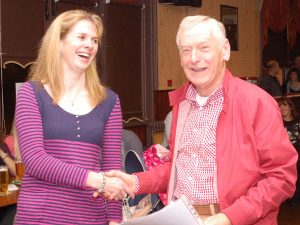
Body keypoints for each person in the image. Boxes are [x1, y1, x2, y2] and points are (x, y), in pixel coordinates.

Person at [104, 15, 298, 225]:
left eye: (204, 47)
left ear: (224, 50)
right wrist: (136, 182)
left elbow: (281, 178)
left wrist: (229, 217)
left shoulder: (257, 103)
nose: (194, 58)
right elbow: (179, 168)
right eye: (186, 50)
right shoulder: (182, 104)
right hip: (180, 217)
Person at [14, 10, 132, 225]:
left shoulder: (110, 101)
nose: (90, 45)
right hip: (39, 218)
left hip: (92, 218)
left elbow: (113, 169)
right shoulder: (31, 93)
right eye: (81, 37)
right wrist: (98, 181)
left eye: (94, 40)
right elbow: (35, 161)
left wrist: (115, 220)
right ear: (58, 43)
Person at [277, 97, 300, 204]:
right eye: (280, 106)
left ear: (290, 107)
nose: (282, 108)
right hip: (284, 154)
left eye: (285, 105)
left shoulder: (298, 121)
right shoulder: (276, 123)